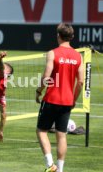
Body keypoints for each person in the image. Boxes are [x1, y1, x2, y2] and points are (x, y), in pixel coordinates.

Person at [35, 23, 84, 172]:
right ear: (72, 37)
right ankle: (60, 169)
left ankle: (50, 165)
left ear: (58, 35)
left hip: (51, 99)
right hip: (67, 101)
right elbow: (80, 82)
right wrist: (74, 99)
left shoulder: (53, 53)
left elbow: (46, 76)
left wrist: (39, 90)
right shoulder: (78, 56)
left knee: (41, 131)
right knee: (61, 136)